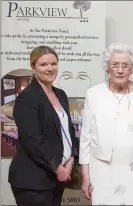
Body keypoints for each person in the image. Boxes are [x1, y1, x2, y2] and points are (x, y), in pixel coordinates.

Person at [79, 43, 133, 205]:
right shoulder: (93, 94)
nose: (120, 70)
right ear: (106, 68)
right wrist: (85, 175)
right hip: (104, 168)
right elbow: (85, 138)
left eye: (125, 65)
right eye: (115, 65)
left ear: (132, 68)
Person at [8, 45, 78, 206]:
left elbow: (69, 131)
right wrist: (58, 168)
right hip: (33, 181)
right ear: (33, 67)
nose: (50, 69)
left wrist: (70, 161)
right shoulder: (27, 98)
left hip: (56, 179)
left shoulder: (60, 94)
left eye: (53, 64)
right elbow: (33, 139)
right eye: (43, 64)